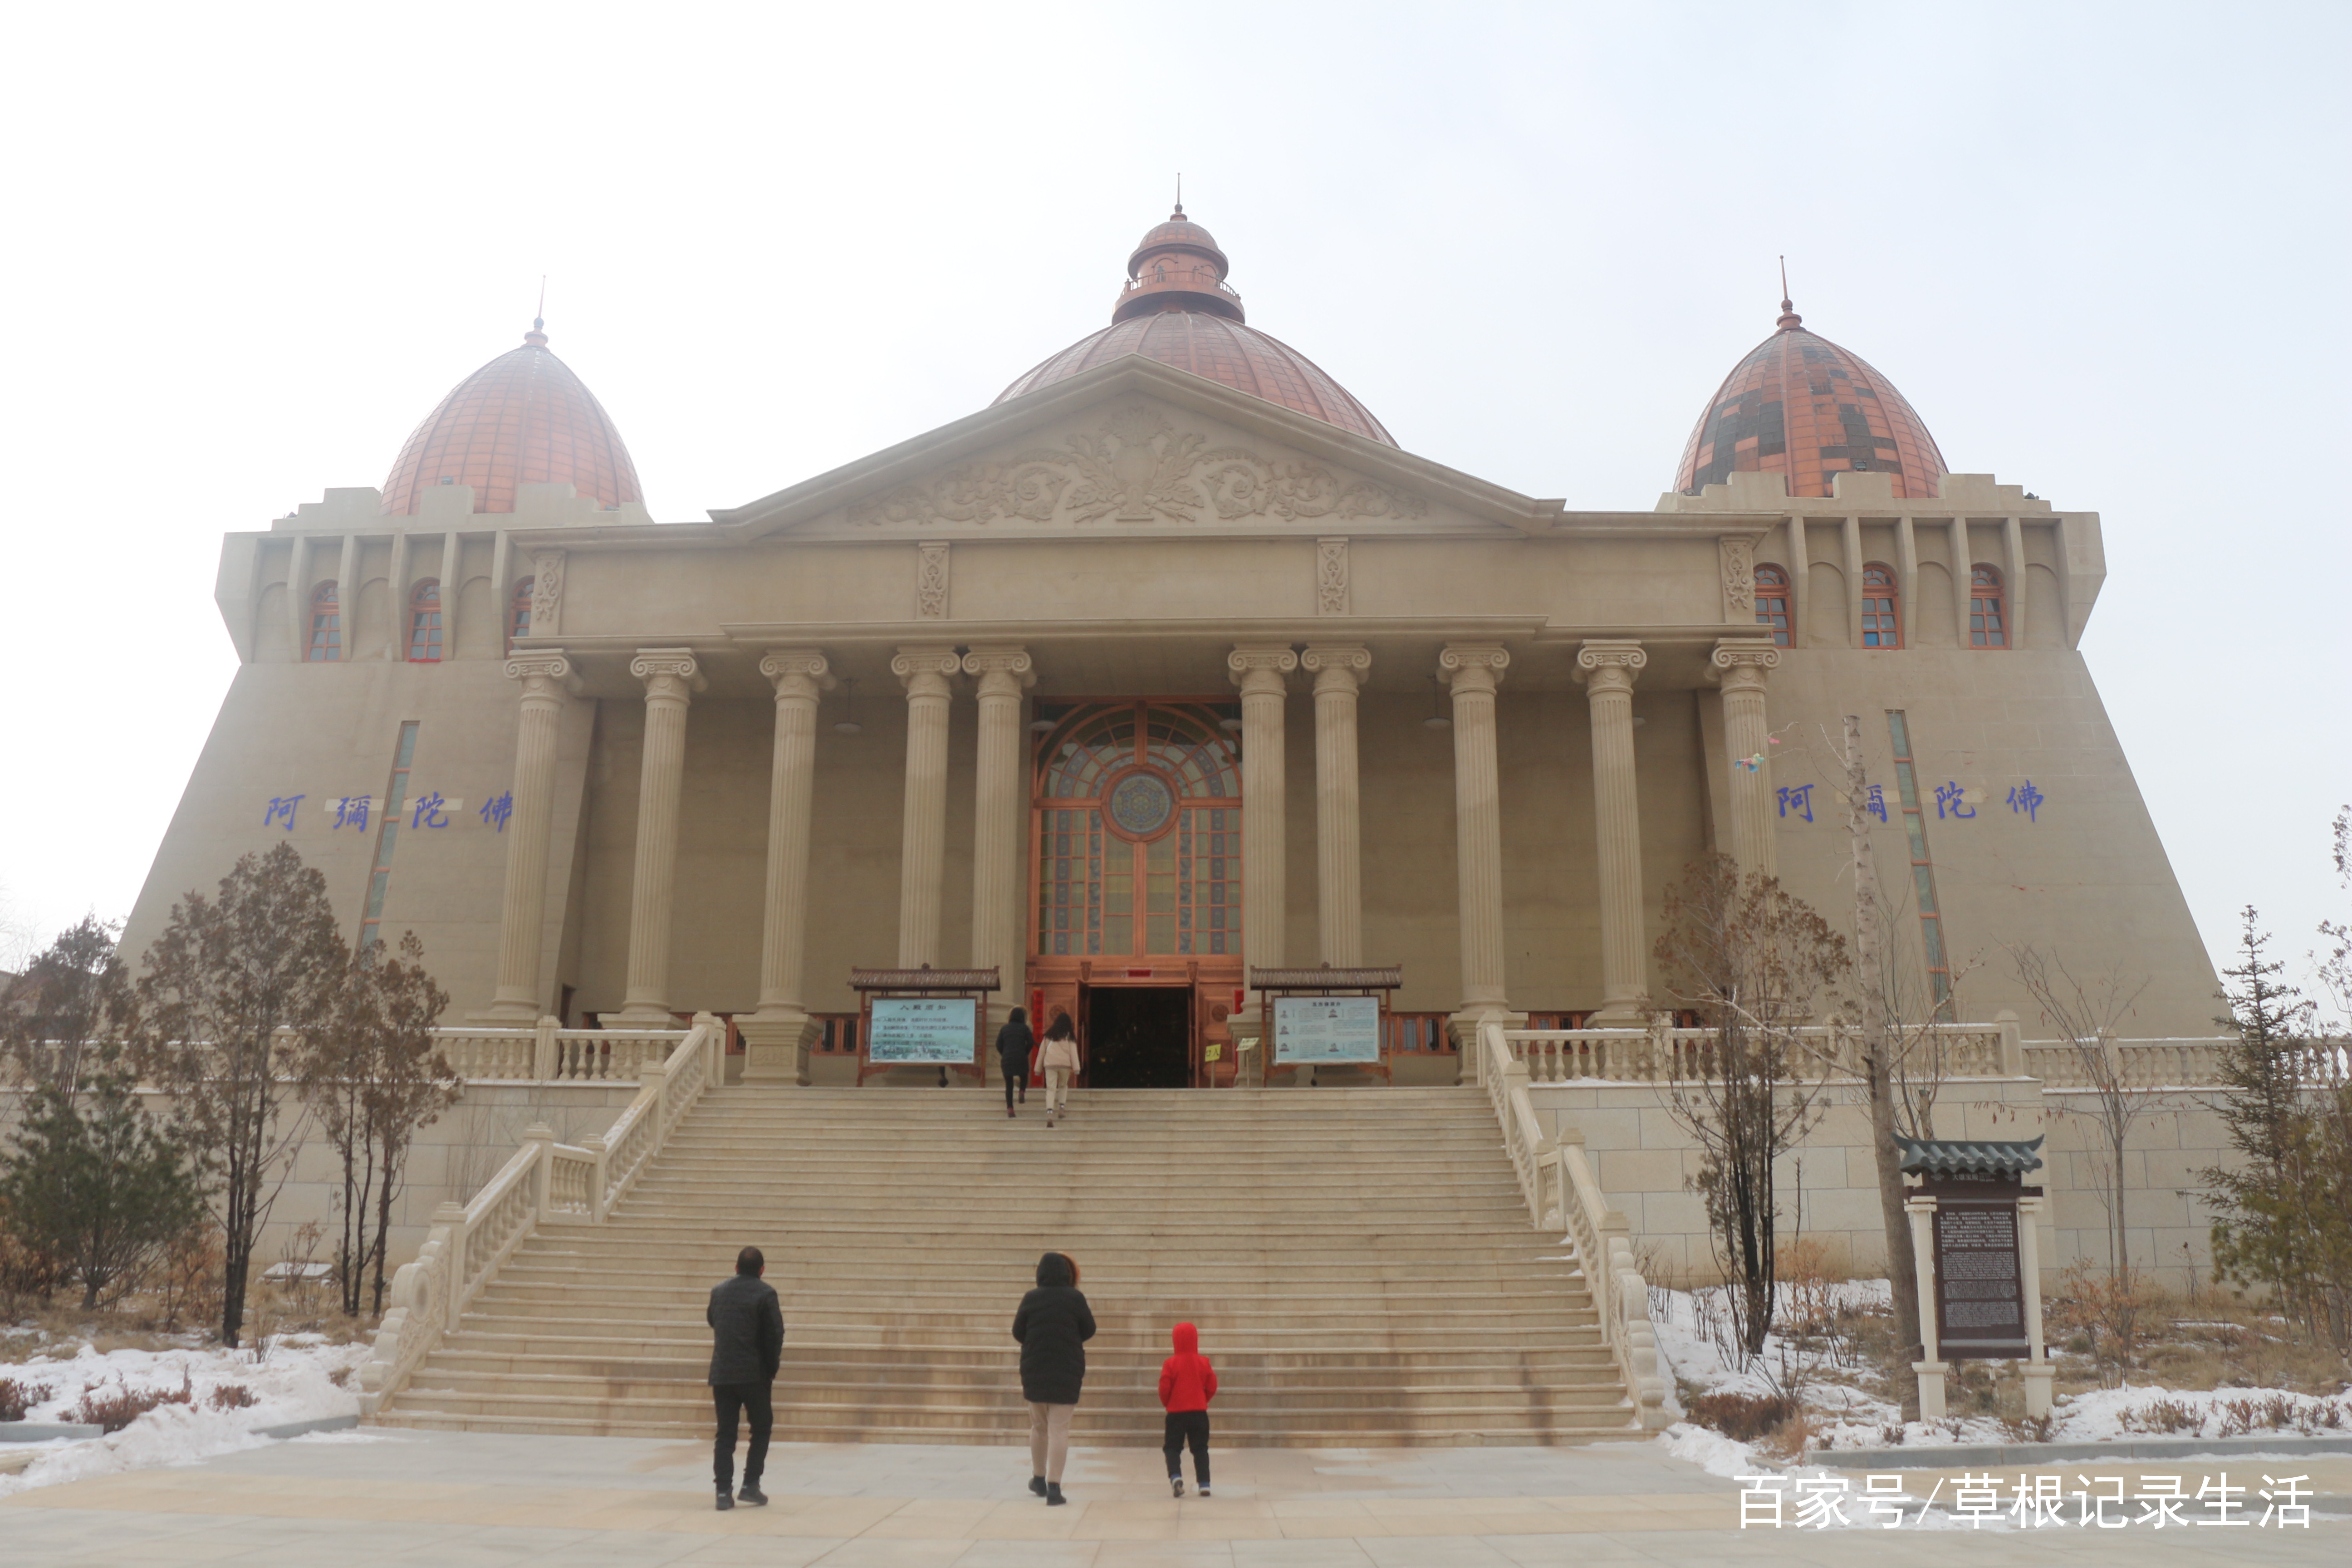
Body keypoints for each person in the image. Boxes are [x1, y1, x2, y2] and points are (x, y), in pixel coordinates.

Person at [1011, 1250, 1094, 1505]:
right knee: (1060, 1429)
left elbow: (1018, 1332)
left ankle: (1038, 1478)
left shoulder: (1031, 1298)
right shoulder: (1075, 1298)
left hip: (1035, 1369)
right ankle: (1055, 1487)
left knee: (1039, 1426)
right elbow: (1089, 1329)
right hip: (1066, 1371)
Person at [707, 1244, 784, 1511]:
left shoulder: (719, 1291)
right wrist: (771, 1369)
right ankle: (751, 1485)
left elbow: (713, 1320)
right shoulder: (766, 1294)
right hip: (754, 1374)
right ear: (762, 1270)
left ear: (736, 1268)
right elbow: (775, 1335)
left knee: (725, 1434)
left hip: (722, 1373)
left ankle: (722, 1493)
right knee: (761, 1428)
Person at [1158, 1321, 1218, 1497]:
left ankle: (1176, 1477)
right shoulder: (1204, 1362)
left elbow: (1164, 1388)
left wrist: (1168, 1403)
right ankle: (1205, 1484)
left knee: (1172, 1448)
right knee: (1200, 1448)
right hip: (1199, 1412)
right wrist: (1202, 1399)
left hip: (1176, 1413)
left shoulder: (1170, 1364)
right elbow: (1213, 1386)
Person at [1038, 1014, 1081, 1127]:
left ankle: (1050, 1113)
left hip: (1050, 1065)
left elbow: (1042, 1053)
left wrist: (1038, 1069)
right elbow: (1074, 1053)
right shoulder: (1069, 1036)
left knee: (1051, 1089)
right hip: (1064, 1065)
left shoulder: (1048, 1036)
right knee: (1063, 1086)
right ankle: (1062, 1108)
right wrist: (1077, 1068)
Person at [995, 1005, 1034, 1118]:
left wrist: (1005, 1053)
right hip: (1021, 1056)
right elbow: (1031, 1042)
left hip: (1007, 1058)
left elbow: (998, 1045)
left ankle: (1010, 1108)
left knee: (1009, 1085)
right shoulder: (1025, 1028)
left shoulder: (1004, 1029)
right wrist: (1025, 1052)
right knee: (1024, 1076)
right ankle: (1022, 1091)